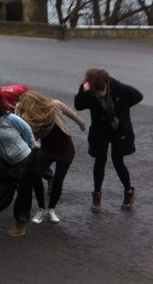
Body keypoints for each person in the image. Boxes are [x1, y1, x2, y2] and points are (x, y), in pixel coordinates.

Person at [74, 68, 143, 212]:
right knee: (100, 160)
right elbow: (78, 105)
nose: (99, 94)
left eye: (102, 91)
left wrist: (122, 110)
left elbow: (138, 96)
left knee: (118, 161)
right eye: (96, 92)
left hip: (118, 130)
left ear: (107, 84)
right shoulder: (90, 92)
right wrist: (82, 90)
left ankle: (129, 192)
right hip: (100, 130)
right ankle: (97, 195)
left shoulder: (119, 89)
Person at [15, 90, 85, 224]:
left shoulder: (55, 105)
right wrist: (18, 110)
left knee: (58, 181)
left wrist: (81, 124)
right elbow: (18, 124)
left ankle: (51, 209)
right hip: (47, 149)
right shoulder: (28, 117)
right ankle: (41, 208)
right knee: (36, 175)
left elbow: (71, 114)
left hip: (65, 149)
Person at [0, 93, 36, 237]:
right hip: (4, 160)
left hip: (23, 160)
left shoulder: (11, 119)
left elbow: (27, 130)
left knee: (23, 193)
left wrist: (30, 148)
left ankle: (20, 225)